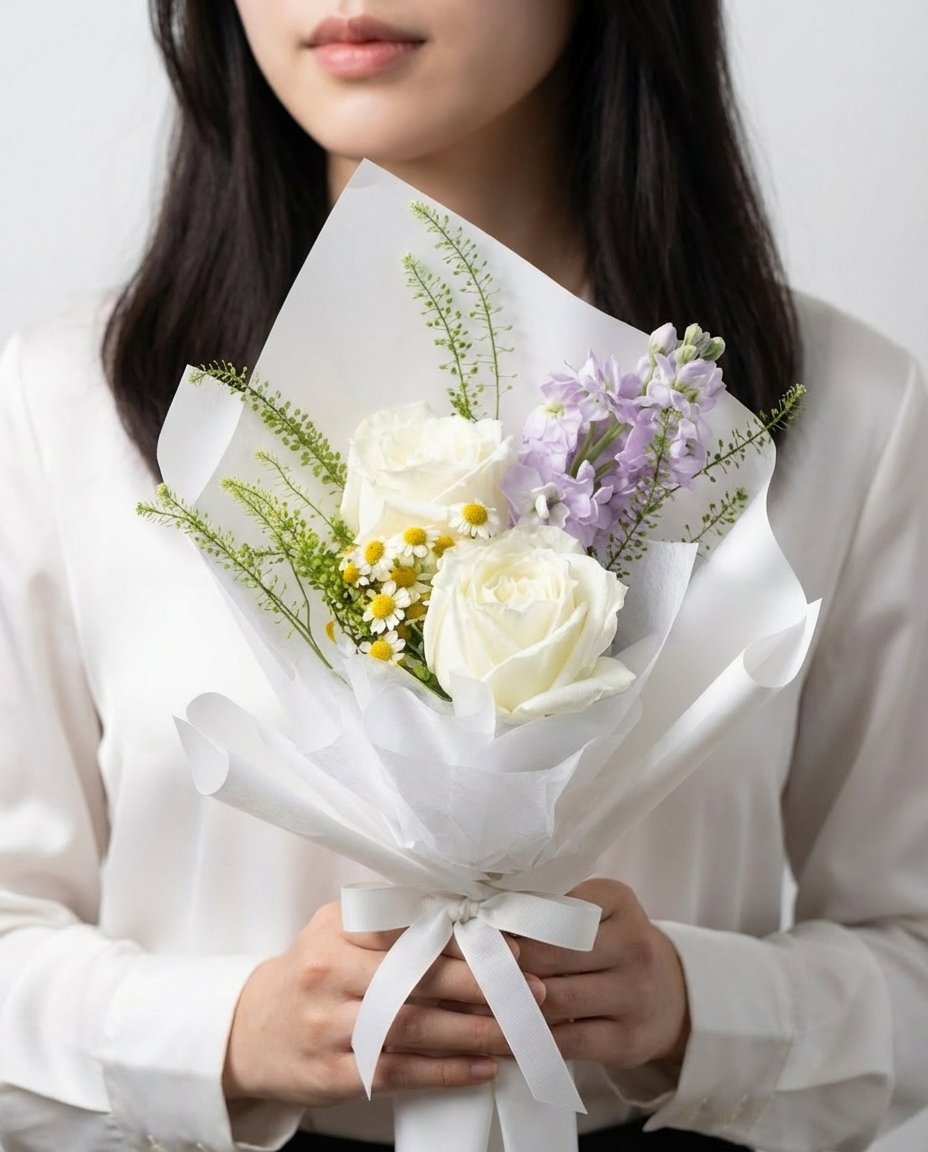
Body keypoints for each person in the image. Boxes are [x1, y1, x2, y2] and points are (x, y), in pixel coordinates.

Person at [0, 3, 926, 1150]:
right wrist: (222, 1036)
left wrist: (700, 1011)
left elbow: (912, 953)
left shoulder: (846, 413)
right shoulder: (60, 412)